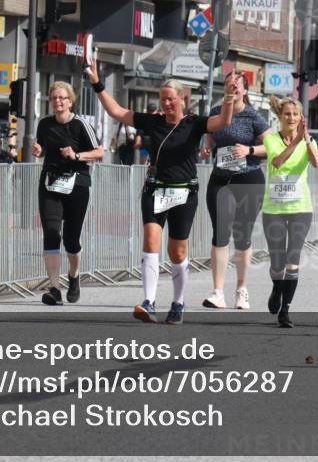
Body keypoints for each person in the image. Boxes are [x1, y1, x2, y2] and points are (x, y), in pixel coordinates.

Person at [87, 62, 239, 324]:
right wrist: (97, 84)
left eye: (171, 99)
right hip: (155, 190)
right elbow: (117, 111)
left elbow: (223, 121)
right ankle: (149, 301)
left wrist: (228, 97)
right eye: (163, 99)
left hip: (183, 193)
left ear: (182, 99)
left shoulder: (194, 123)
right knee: (150, 241)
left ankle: (178, 303)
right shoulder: (153, 122)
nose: (166, 104)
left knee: (177, 252)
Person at [31, 82, 104, 306]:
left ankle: (74, 275)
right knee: (52, 233)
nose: (57, 101)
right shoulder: (45, 124)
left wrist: (76, 155)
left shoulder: (81, 124)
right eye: (54, 98)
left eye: (62, 98)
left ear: (70, 101)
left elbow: (99, 153)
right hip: (50, 184)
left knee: (71, 240)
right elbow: (43, 148)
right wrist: (38, 151)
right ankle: (54, 289)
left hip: (77, 185)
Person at [201, 70, 269, 311]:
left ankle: (242, 289)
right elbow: (209, 134)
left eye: (237, 85)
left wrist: (249, 151)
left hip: (248, 179)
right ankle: (218, 292)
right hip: (221, 179)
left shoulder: (253, 116)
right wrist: (207, 147)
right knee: (220, 233)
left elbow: (272, 146)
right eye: (229, 84)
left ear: (245, 90)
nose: (232, 87)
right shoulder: (216, 112)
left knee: (242, 235)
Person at [261, 96, 318, 328]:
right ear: (280, 116)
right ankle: (277, 287)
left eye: (295, 114)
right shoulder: (271, 139)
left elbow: (316, 163)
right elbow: (277, 162)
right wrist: (295, 141)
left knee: (292, 258)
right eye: (287, 114)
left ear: (301, 117)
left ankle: (285, 311)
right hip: (274, 208)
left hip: (300, 208)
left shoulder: (307, 140)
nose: (291, 118)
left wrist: (306, 140)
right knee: (277, 261)